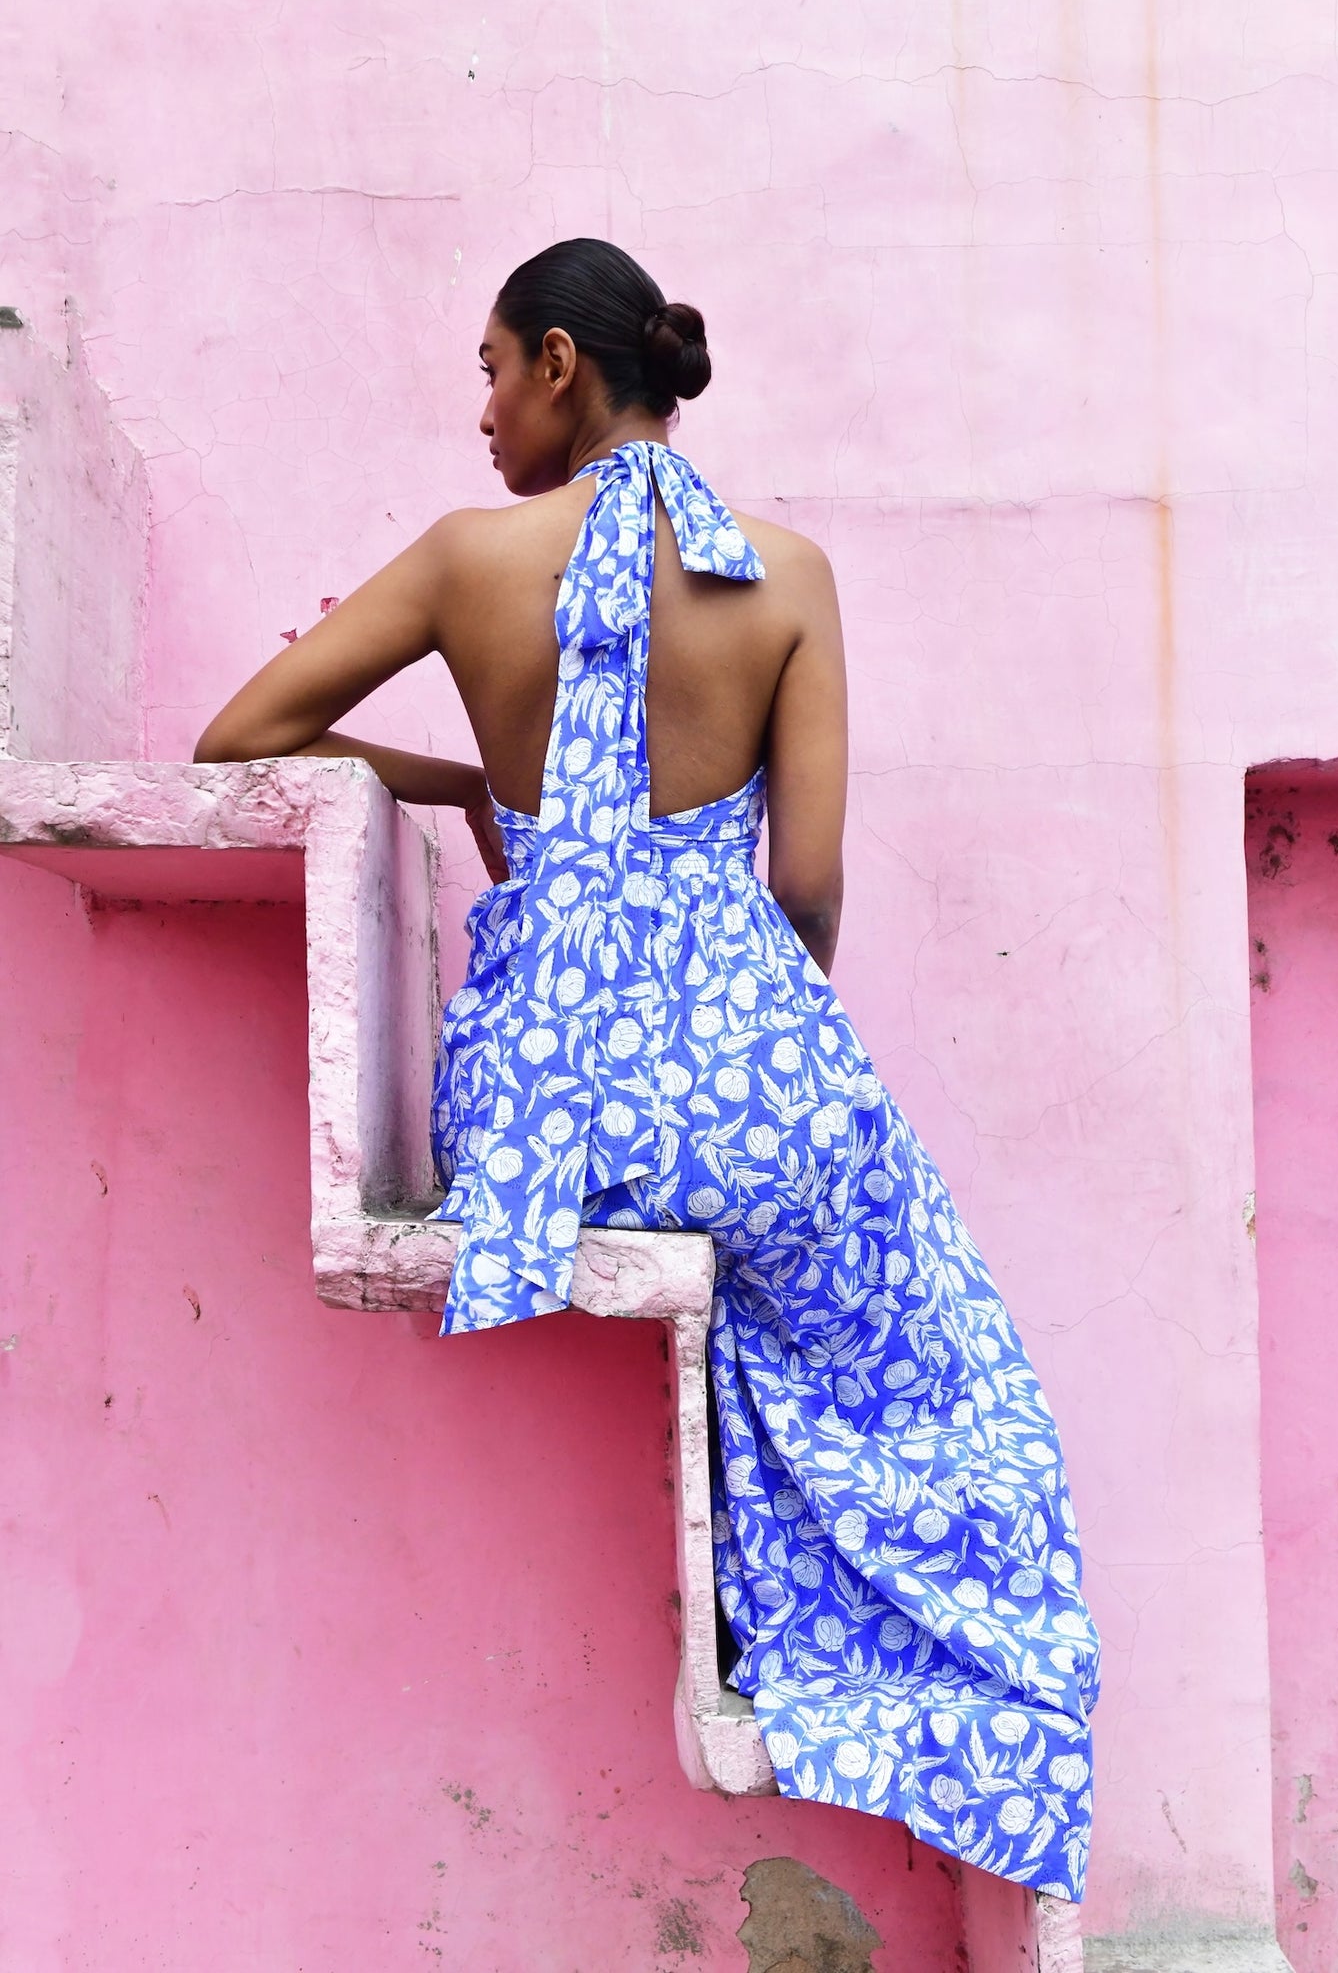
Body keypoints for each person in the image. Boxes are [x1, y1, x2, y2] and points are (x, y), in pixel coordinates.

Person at [196, 236, 1099, 1901]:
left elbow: (240, 741)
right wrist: (756, 1043)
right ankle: (943, 1705)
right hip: (752, 1077)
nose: (476, 412)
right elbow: (804, 883)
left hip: (539, 1119)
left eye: (486, 369)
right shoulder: (791, 573)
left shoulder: (469, 558)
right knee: (925, 1365)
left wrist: (464, 779)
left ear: (556, 362)